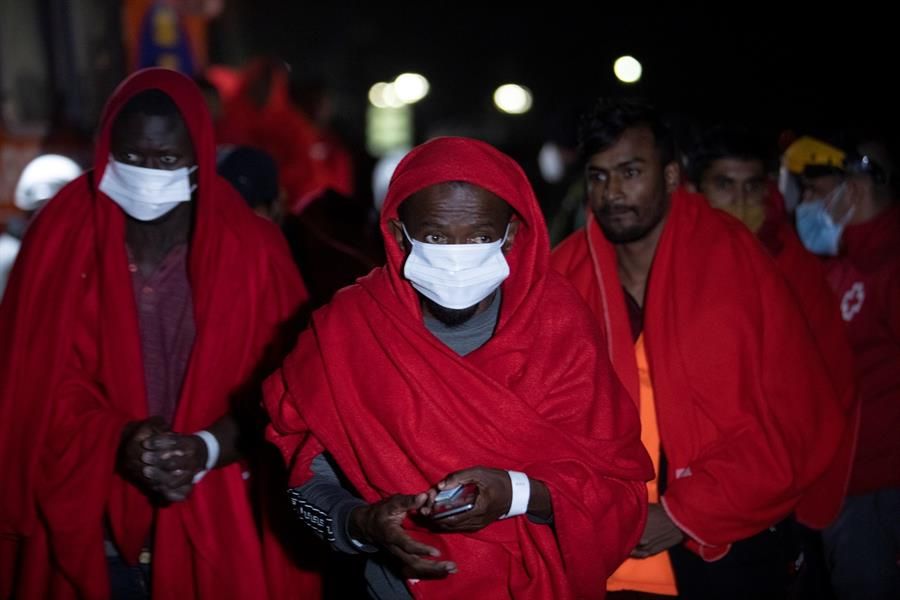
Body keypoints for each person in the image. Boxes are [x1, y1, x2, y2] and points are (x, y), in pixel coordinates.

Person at [264, 136, 653, 599]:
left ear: (511, 234)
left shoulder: (559, 325)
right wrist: (360, 525)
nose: (456, 253)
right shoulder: (347, 328)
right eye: (433, 236)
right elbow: (303, 477)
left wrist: (517, 494)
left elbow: (619, 491)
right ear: (396, 233)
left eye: (479, 236)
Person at [0, 68, 317, 599]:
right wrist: (117, 438)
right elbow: (29, 384)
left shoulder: (253, 250)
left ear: (199, 155)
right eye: (132, 157)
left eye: (167, 159)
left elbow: (289, 393)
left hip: (219, 520)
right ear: (105, 152)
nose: (148, 173)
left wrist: (208, 446)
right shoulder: (59, 238)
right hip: (89, 523)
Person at [552, 99, 849, 599]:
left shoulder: (735, 263)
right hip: (599, 558)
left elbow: (801, 420)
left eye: (630, 172)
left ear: (671, 176)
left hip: (723, 553)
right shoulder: (564, 273)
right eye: (599, 176)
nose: (612, 192)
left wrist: (682, 513)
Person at [787, 135, 900, 599]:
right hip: (841, 486)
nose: (806, 207)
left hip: (884, 487)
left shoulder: (890, 265)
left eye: (815, 194)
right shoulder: (835, 266)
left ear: (850, 192)